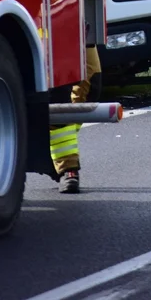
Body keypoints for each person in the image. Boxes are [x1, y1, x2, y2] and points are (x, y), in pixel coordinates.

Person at [48, 41, 102, 194]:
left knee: (91, 83)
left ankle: (51, 147)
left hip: (77, 22)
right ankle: (67, 168)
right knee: (58, 98)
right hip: (44, 26)